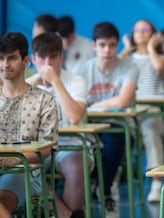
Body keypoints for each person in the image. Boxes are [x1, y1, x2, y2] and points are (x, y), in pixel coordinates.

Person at [76, 22, 138, 212]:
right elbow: (76, 101)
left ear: (117, 45)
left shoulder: (130, 67)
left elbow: (122, 101)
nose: (107, 50)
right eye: (102, 45)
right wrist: (101, 105)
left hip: (117, 123)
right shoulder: (82, 68)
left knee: (112, 145)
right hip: (87, 124)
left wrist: (93, 105)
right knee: (81, 152)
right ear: (94, 46)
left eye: (112, 45)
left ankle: (102, 191)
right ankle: (102, 189)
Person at [27, 32, 88, 218]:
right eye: (42, 57)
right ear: (32, 59)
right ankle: (68, 215)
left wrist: (55, 81)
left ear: (61, 57)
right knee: (22, 167)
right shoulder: (25, 85)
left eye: (53, 56)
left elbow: (74, 117)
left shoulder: (76, 81)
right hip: (35, 149)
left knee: (77, 166)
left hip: (69, 145)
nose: (48, 62)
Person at [0, 32, 58, 215]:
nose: (5, 64)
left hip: (26, 171)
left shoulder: (44, 100)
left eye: (12, 58)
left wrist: (17, 159)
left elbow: (48, 147)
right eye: (1, 59)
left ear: (26, 61)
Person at [118, 19, 164, 202]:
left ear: (153, 34)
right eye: (136, 29)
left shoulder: (161, 58)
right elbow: (111, 69)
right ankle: (111, 182)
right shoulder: (127, 59)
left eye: (145, 29)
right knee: (115, 133)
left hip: (152, 110)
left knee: (150, 131)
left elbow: (160, 69)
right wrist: (125, 50)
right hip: (128, 110)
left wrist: (153, 48)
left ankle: (156, 183)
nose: (140, 32)